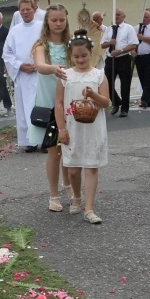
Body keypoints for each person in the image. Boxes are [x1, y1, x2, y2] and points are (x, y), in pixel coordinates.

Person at [55, 30, 110, 224]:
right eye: (76, 56)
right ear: (71, 55)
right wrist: (61, 129)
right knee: (73, 170)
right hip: (72, 127)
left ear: (91, 54)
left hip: (93, 127)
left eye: (84, 55)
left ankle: (89, 208)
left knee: (91, 167)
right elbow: (59, 103)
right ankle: (76, 197)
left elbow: (105, 102)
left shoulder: (99, 75)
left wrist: (93, 95)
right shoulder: (65, 76)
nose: (80, 59)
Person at [31, 3, 73, 209]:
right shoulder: (42, 44)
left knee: (69, 145)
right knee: (53, 149)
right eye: (54, 20)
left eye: (61, 20)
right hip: (49, 100)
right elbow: (39, 66)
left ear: (66, 21)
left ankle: (69, 184)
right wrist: (53, 68)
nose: (58, 23)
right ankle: (53, 195)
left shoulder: (71, 43)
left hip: (69, 98)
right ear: (47, 21)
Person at [3, 0, 43, 151]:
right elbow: (7, 53)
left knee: (41, 107)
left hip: (40, 74)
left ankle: (45, 139)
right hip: (23, 75)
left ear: (34, 9)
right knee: (25, 109)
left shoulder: (42, 27)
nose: (25, 12)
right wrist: (20, 66)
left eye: (28, 9)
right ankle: (29, 141)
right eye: (22, 9)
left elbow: (48, 47)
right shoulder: (15, 30)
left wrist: (40, 64)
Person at [101, 8, 138, 117]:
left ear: (123, 17)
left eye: (118, 15)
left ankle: (125, 108)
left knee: (125, 84)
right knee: (106, 82)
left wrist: (121, 51)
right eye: (115, 15)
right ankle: (116, 101)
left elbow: (134, 44)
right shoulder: (109, 29)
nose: (116, 17)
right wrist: (110, 43)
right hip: (110, 58)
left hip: (123, 58)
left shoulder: (128, 28)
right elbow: (102, 44)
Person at [134, 10, 150, 108]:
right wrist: (132, 51)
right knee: (142, 78)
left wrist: (142, 37)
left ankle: (144, 99)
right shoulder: (136, 28)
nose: (144, 19)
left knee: (148, 77)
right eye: (143, 17)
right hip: (139, 56)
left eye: (147, 17)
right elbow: (133, 41)